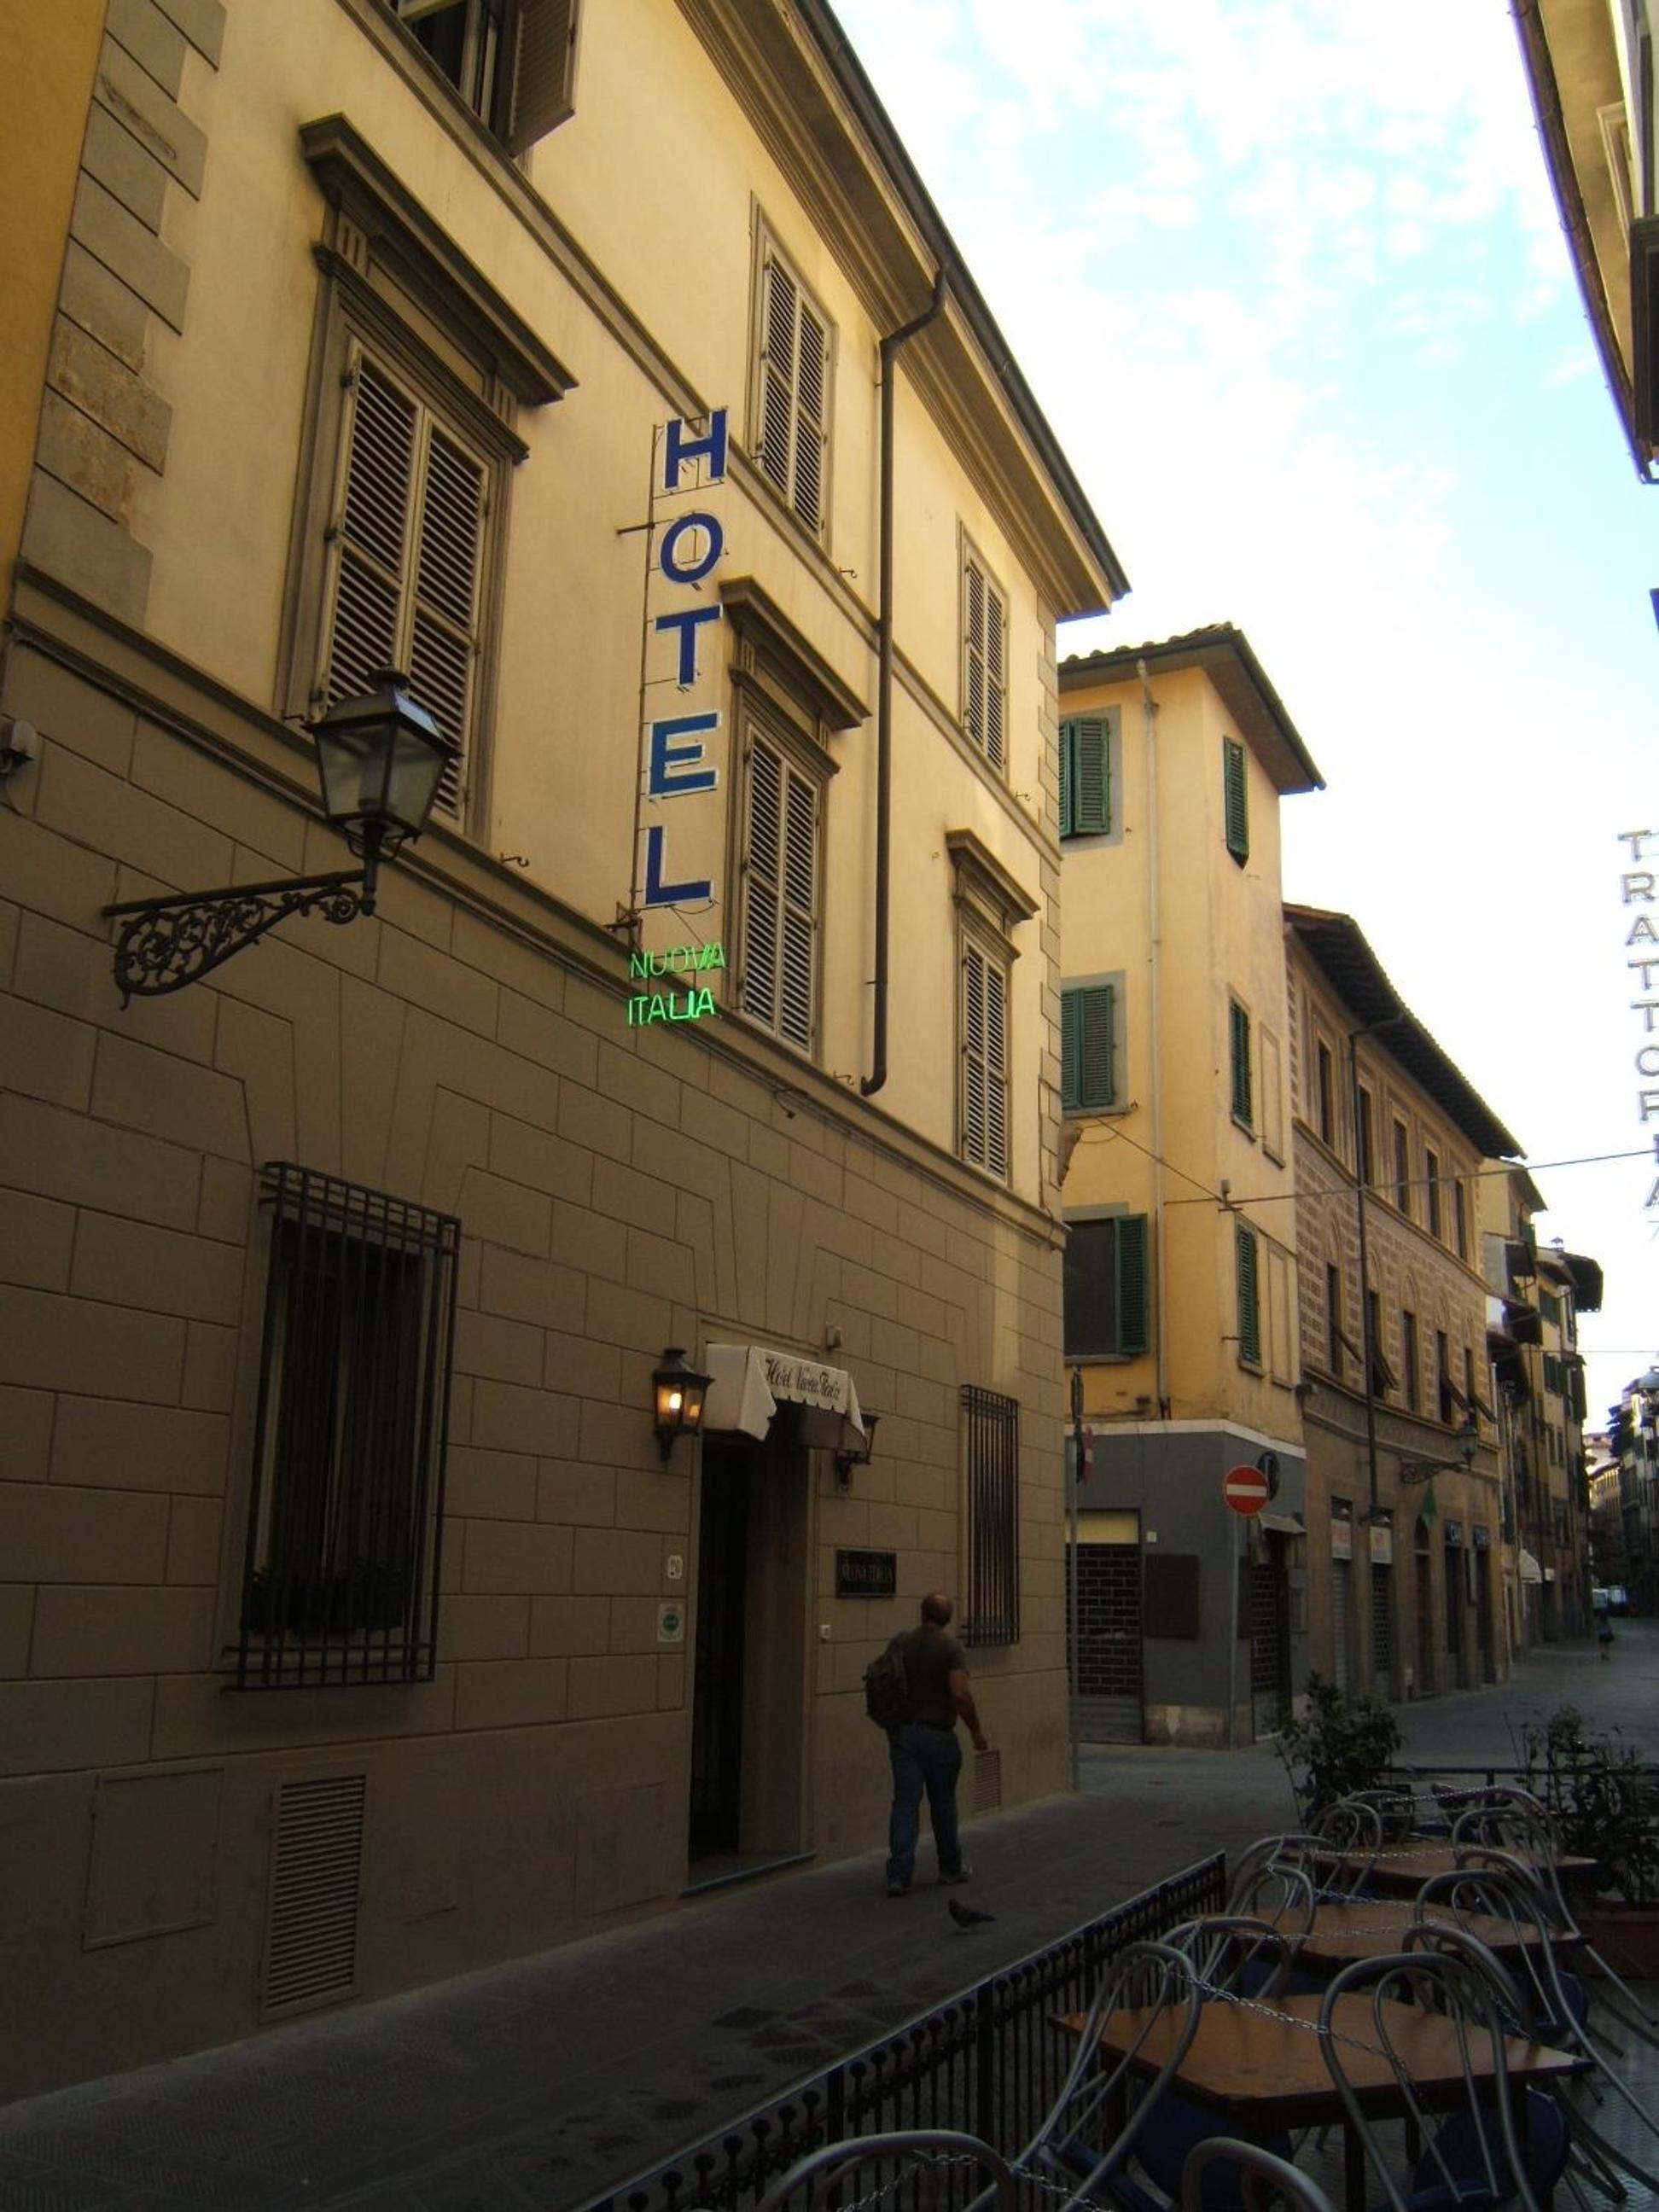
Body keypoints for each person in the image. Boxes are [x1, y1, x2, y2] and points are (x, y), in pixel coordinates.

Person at [882, 1590, 989, 1897]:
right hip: (939, 1735)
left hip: (904, 1734)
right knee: (942, 1803)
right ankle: (950, 1867)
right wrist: (976, 1731)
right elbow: (959, 1693)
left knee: (905, 1803)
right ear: (948, 1618)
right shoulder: (950, 1647)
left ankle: (899, 1875)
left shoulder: (901, 1643)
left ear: (922, 1612)